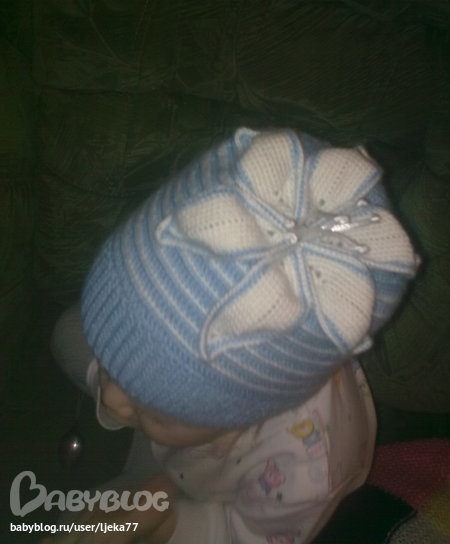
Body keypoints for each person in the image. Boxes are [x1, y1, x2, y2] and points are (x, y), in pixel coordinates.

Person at [48, 128, 419, 544]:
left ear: (245, 415)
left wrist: (167, 519)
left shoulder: (303, 477)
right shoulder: (189, 399)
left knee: (80, 524)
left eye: (157, 412)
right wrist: (141, 397)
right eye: (113, 361)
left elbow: (244, 535)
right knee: (69, 331)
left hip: (225, 490)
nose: (113, 399)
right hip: (194, 438)